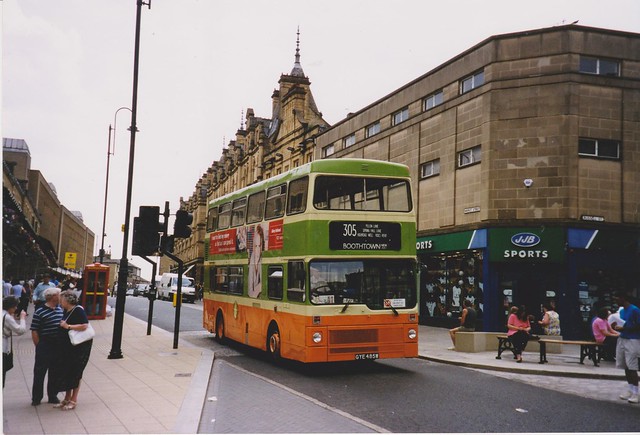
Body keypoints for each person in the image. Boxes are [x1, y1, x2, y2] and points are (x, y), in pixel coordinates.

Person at [54, 290, 93, 410]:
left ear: (67, 300)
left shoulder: (78, 310)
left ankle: (73, 399)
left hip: (79, 347)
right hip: (68, 346)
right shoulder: (66, 310)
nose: (60, 302)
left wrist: (68, 326)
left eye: (61, 300)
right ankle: (66, 398)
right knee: (68, 371)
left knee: (76, 372)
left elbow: (84, 325)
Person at [30, 287, 63, 406]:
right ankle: (36, 397)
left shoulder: (61, 309)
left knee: (55, 371)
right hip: (45, 343)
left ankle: (52, 395)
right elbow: (34, 330)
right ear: (52, 296)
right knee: (40, 372)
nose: (60, 297)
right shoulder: (40, 311)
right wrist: (39, 346)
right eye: (59, 295)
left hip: (57, 344)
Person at [611, 291, 640, 404]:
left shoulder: (635, 310)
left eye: (617, 298)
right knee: (625, 366)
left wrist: (624, 328)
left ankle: (636, 393)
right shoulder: (622, 311)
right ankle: (630, 389)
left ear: (623, 298)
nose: (615, 301)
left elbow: (638, 325)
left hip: (633, 339)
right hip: (622, 338)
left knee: (632, 366)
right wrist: (616, 327)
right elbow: (621, 324)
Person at [3, 296, 27, 387]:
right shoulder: (7, 317)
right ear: (10, 306)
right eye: (15, 306)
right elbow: (20, 330)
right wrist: (22, 318)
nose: (16, 308)